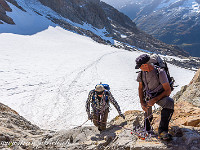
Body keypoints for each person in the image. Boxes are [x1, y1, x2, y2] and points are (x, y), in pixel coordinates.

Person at [135, 54, 174, 140]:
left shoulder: (160, 72)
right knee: (147, 112)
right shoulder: (141, 74)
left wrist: (155, 99)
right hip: (148, 97)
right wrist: (142, 102)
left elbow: (168, 90)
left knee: (169, 102)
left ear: (145, 65)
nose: (139, 69)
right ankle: (147, 129)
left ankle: (162, 131)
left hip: (160, 96)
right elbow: (140, 88)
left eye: (140, 66)